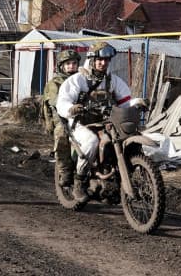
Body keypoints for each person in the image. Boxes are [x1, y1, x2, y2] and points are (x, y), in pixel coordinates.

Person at [56, 42, 133, 203]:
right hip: (79, 123)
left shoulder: (113, 80)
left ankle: (117, 178)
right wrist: (72, 109)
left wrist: (137, 104)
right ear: (91, 59)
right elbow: (62, 102)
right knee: (91, 142)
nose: (103, 63)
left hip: (104, 122)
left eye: (106, 60)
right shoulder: (78, 79)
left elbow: (126, 101)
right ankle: (79, 181)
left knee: (124, 139)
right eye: (99, 59)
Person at [42, 49, 81, 187]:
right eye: (68, 64)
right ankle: (65, 171)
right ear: (61, 66)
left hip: (82, 115)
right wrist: (70, 106)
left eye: (74, 63)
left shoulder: (82, 79)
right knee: (62, 136)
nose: (71, 66)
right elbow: (55, 101)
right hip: (62, 118)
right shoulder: (55, 82)